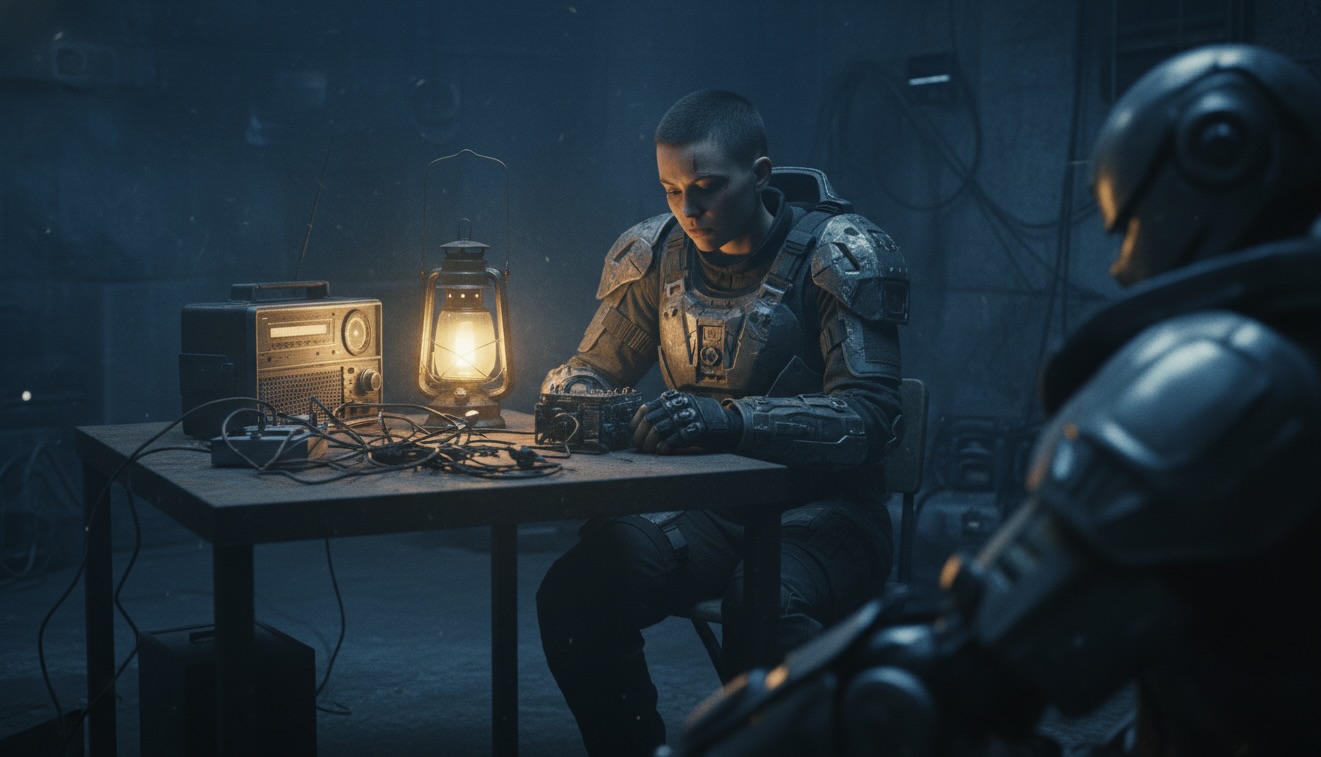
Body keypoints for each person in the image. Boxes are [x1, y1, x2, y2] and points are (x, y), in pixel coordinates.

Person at [673, 43, 1321, 757]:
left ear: (1216, 160)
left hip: (827, 514)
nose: (1120, 262)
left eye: (1128, 224)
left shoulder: (1227, 374)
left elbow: (955, 670)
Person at [535, 89, 911, 757]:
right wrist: (601, 407)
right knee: (579, 591)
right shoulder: (653, 253)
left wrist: (727, 419)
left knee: (761, 607)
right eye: (671, 189)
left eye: (706, 187)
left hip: (826, 512)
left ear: (761, 175)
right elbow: (588, 370)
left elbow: (870, 418)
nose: (687, 209)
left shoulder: (842, 251)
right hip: (707, 513)